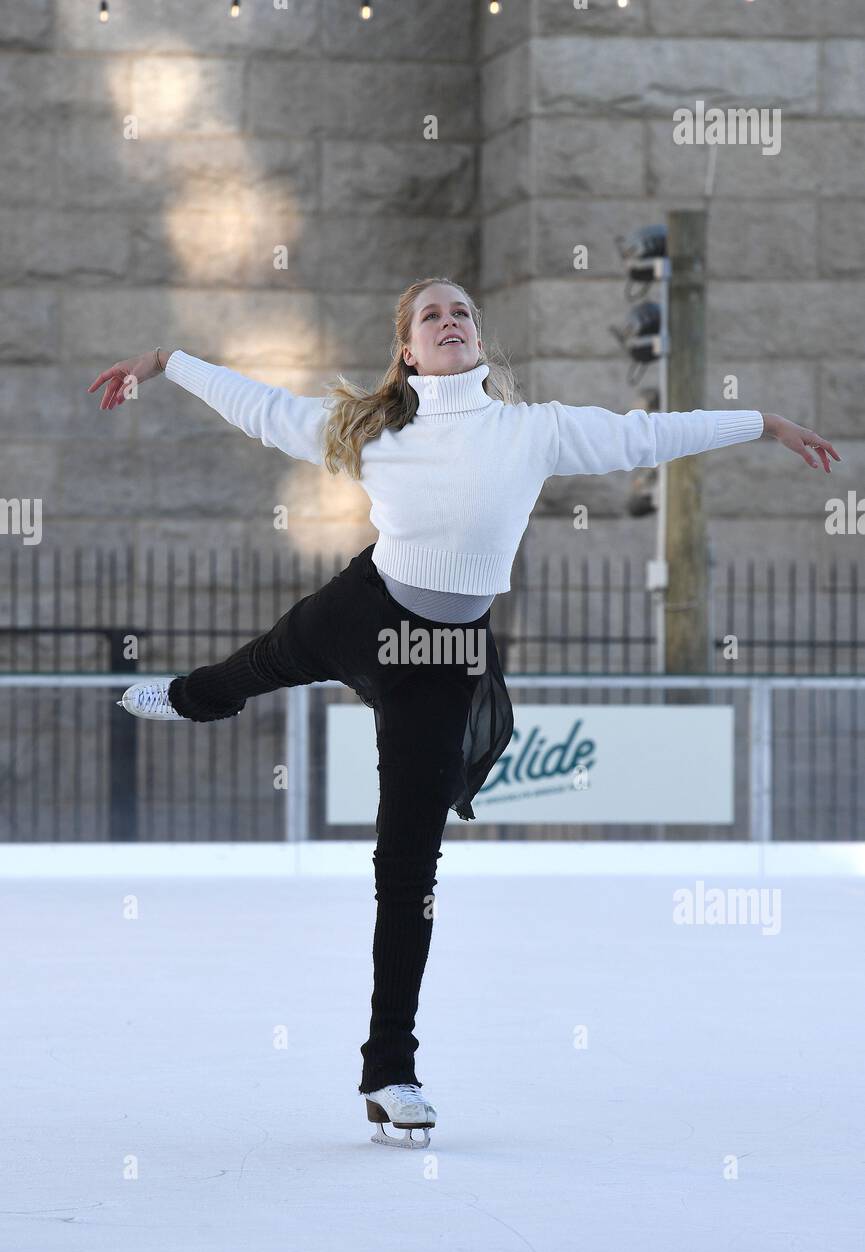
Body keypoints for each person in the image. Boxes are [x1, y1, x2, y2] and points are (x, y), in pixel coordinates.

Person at [86, 276, 839, 1148]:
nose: (450, 321)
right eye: (430, 315)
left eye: (462, 312)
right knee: (252, 668)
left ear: (478, 341)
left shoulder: (532, 430)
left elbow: (644, 432)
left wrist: (762, 423)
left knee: (407, 870)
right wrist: (164, 360)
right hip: (364, 613)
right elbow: (264, 409)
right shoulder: (370, 431)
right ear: (408, 348)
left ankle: (390, 1073)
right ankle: (189, 699)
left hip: (444, 661)